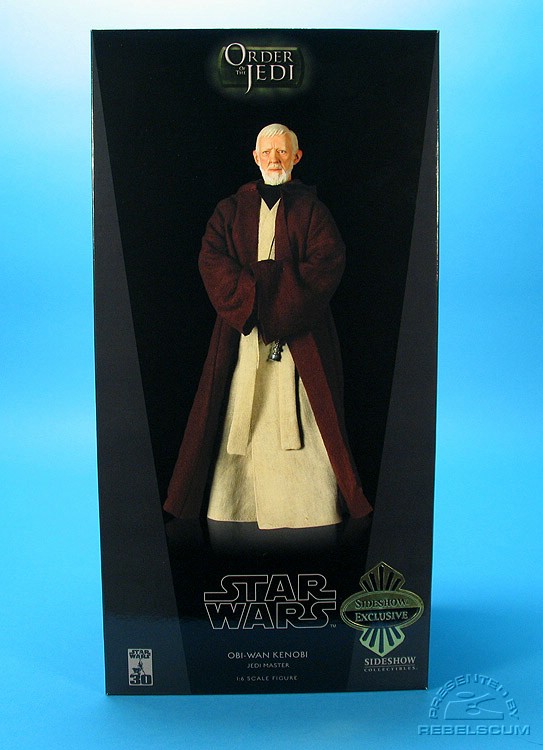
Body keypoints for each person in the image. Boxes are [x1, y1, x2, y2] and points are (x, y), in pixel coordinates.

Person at [163, 124, 372, 538]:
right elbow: (211, 260)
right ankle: (235, 502)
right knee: (239, 406)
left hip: (301, 334)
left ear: (297, 157)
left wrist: (269, 295)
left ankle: (309, 505)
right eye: (267, 151)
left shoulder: (313, 212)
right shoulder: (230, 210)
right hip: (242, 333)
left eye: (282, 151)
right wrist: (251, 297)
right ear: (255, 157)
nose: (274, 159)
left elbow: (327, 262)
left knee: (306, 413)